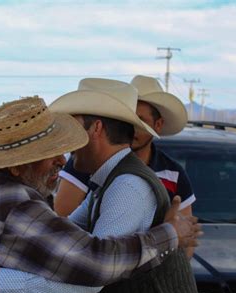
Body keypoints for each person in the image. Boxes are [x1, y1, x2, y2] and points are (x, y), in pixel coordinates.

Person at [0, 80, 200, 293]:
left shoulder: (127, 185)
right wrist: (169, 235)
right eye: (51, 148)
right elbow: (88, 259)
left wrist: (1, 282)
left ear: (96, 129)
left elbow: (91, 270)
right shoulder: (19, 200)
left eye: (72, 129)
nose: (64, 153)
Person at [55, 75, 196, 259]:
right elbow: (66, 231)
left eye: (77, 127)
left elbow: (97, 265)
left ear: (97, 128)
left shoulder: (128, 185)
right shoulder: (106, 174)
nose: (70, 140)